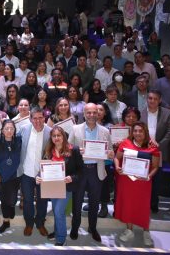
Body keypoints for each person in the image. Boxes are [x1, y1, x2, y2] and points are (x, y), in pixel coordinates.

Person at [68, 103, 113, 242]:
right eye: (89, 113)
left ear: (98, 114)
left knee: (94, 203)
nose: (92, 115)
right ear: (84, 114)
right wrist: (76, 151)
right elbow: (68, 149)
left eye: (95, 112)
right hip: (80, 171)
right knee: (77, 201)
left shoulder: (105, 131)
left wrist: (110, 153)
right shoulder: (75, 129)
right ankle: (75, 227)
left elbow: (110, 151)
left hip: (96, 170)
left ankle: (92, 228)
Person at [35, 126, 83, 246]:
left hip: (66, 187)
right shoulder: (48, 150)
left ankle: (61, 238)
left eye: (59, 135)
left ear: (63, 137)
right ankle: (57, 232)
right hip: (52, 187)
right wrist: (38, 177)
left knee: (58, 212)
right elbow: (42, 168)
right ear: (51, 138)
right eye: (54, 136)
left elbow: (81, 171)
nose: (56, 138)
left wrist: (72, 178)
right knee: (57, 212)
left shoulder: (73, 150)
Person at [114, 121, 160, 246]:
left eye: (140, 131)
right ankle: (129, 230)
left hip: (143, 183)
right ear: (132, 132)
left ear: (145, 132)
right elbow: (116, 157)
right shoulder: (125, 143)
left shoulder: (153, 147)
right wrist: (117, 167)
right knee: (128, 205)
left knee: (143, 207)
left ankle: (146, 231)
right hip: (126, 181)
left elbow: (155, 166)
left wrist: (149, 177)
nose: (137, 133)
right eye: (135, 131)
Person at [18, 106, 51, 237]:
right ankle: (29, 223)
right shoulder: (23, 130)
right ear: (30, 119)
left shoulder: (50, 132)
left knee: (42, 201)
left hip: (43, 174)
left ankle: (40, 223)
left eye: (40, 118)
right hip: (26, 172)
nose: (37, 121)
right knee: (27, 200)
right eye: (34, 118)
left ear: (44, 118)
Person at [140, 90, 170, 213]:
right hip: (144, 150)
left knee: (156, 179)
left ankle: (154, 203)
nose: (152, 101)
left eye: (155, 98)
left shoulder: (168, 113)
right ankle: (143, 203)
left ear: (160, 100)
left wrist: (158, 145)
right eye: (150, 98)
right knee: (143, 178)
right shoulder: (141, 113)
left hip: (159, 151)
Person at [0, 120, 22, 234]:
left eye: (11, 128)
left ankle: (12, 206)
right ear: (2, 130)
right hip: (1, 176)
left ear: (15, 130)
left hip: (15, 175)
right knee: (4, 199)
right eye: (6, 128)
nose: (9, 131)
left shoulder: (19, 140)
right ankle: (6, 222)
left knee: (13, 198)